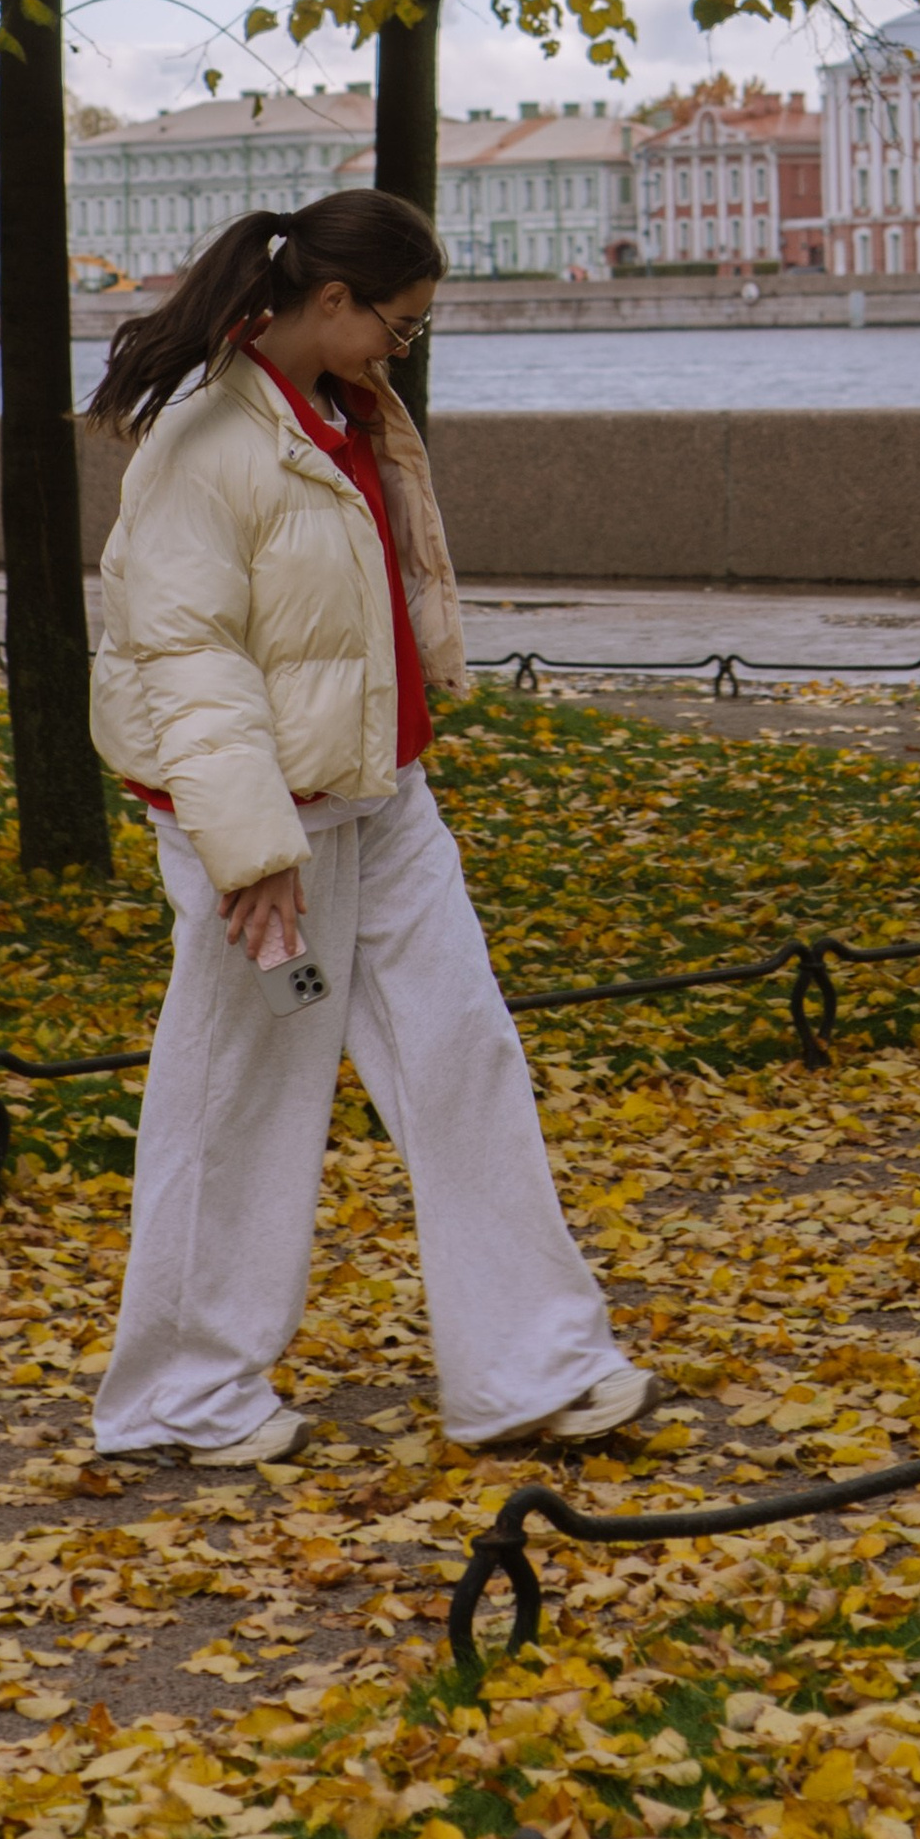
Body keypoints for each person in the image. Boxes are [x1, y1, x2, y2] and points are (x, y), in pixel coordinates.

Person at [83, 188, 652, 1466]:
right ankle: (177, 1400)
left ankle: (534, 1370)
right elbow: (187, 659)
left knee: (465, 1057)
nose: (406, 346)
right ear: (331, 299)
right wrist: (250, 854)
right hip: (264, 825)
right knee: (237, 1103)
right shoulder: (203, 442)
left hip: (381, 794)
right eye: (400, 323)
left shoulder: (340, 408)